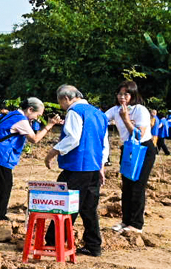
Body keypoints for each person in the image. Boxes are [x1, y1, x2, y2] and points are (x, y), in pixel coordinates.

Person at [44, 84, 109, 257]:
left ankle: (54, 242)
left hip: (77, 166)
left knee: (64, 205)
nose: (62, 107)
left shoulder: (75, 112)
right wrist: (101, 166)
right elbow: (105, 144)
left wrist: (52, 153)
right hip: (94, 167)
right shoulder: (99, 114)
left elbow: (73, 138)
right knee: (88, 208)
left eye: (61, 103)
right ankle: (94, 245)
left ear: (66, 98)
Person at [0, 98, 50, 220]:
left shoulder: (12, 114)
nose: (37, 118)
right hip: (3, 155)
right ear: (30, 109)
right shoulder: (21, 120)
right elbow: (34, 139)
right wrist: (49, 126)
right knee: (4, 185)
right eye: (37, 115)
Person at [104, 80, 156, 235]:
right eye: (120, 93)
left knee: (137, 186)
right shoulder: (115, 110)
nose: (122, 97)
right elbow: (100, 119)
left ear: (133, 95)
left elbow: (139, 135)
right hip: (127, 150)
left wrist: (126, 118)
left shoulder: (140, 110)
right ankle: (125, 221)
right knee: (126, 186)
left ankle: (136, 224)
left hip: (143, 149)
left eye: (126, 94)